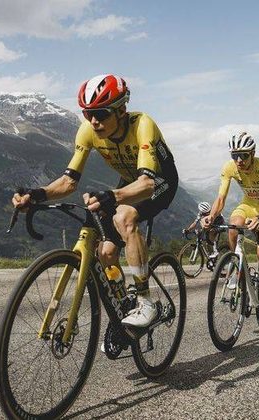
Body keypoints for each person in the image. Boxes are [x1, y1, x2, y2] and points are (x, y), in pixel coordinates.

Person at [12, 74, 177, 328]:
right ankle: (124, 309)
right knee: (106, 253)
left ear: (121, 110)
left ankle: (145, 302)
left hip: (159, 181)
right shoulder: (88, 131)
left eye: (101, 113)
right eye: (87, 114)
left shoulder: (142, 125)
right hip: (128, 181)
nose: (93, 121)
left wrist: (113, 196)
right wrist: (36, 194)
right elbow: (68, 181)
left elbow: (146, 184)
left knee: (124, 217)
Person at [203, 131, 259, 326]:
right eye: (234, 155)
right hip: (248, 205)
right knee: (233, 225)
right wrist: (211, 216)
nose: (239, 160)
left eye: (243, 155)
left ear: (252, 153)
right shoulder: (230, 167)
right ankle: (236, 265)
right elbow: (221, 198)